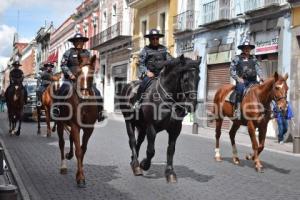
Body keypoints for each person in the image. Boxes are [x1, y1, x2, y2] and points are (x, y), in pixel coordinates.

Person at [52, 33, 105, 122]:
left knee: (97, 92)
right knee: (62, 91)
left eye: (80, 41)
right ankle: (57, 109)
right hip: (70, 79)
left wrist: (92, 71)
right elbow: (63, 65)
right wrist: (70, 74)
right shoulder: (68, 52)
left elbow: (91, 64)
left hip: (84, 79)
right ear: (74, 43)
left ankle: (100, 112)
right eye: (77, 41)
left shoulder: (87, 53)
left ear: (83, 42)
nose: (79, 43)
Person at [134, 29, 172, 108]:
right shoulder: (145, 50)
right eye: (153, 39)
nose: (155, 40)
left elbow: (169, 60)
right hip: (150, 75)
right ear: (150, 39)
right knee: (143, 84)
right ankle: (138, 101)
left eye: (157, 38)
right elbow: (141, 63)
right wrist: (147, 72)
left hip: (162, 74)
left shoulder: (164, 49)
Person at [229, 40, 264, 119]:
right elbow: (231, 70)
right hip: (242, 81)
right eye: (245, 48)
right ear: (242, 49)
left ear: (250, 49)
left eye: (248, 48)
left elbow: (258, 69)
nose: (247, 50)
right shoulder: (237, 58)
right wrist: (237, 78)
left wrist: (261, 77)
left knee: (261, 91)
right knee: (240, 90)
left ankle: (263, 110)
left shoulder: (254, 58)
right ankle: (237, 110)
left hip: (253, 81)